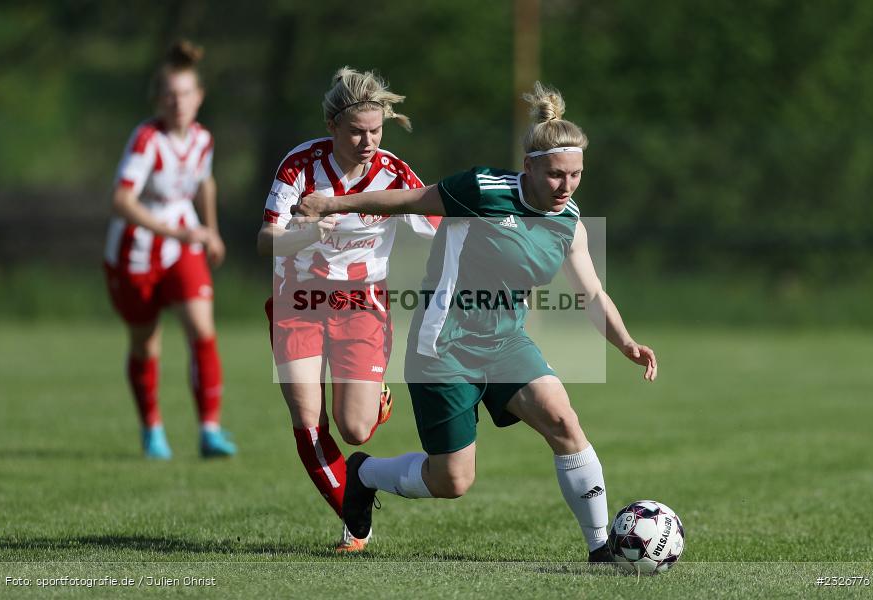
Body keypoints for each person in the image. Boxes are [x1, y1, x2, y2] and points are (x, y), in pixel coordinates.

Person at [292, 82, 657, 561]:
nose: (565, 187)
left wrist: (625, 342)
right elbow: (407, 200)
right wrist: (331, 204)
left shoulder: (568, 221)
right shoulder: (481, 190)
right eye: (554, 175)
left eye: (575, 175)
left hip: (506, 343)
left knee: (564, 421)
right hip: (443, 345)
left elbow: (592, 294)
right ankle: (365, 475)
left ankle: (600, 548)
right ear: (529, 166)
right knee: (452, 480)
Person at [257, 67, 440, 552]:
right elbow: (265, 240)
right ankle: (354, 520)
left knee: (356, 430)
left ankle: (372, 402)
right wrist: (304, 234)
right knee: (305, 412)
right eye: (357, 130)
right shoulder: (300, 166)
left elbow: (441, 222)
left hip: (363, 304)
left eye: (375, 130)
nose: (367, 141)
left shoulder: (394, 173)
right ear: (333, 124)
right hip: (298, 299)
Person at [104, 40, 236, 460]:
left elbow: (205, 182)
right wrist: (172, 232)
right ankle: (152, 430)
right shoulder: (146, 139)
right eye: (169, 94)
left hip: (183, 245)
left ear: (199, 97)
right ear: (158, 99)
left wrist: (210, 231)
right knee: (146, 344)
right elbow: (121, 201)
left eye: (185, 94)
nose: (177, 102)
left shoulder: (202, 139)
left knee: (202, 329)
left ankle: (209, 430)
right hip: (135, 250)